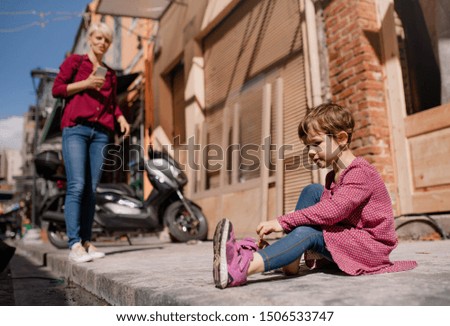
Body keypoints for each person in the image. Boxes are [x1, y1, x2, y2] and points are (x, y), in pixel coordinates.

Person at [213, 103, 417, 289]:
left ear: (342, 139)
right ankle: (289, 261)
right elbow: (326, 210)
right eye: (307, 146)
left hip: (369, 248)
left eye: (316, 143)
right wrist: (296, 220)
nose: (310, 152)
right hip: (352, 237)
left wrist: (284, 221)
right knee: (312, 191)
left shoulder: (360, 172)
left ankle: (240, 269)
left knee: (308, 233)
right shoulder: (334, 176)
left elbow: (333, 212)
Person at [52, 22, 130, 263]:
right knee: (77, 185)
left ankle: (87, 241)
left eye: (106, 40)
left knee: (91, 189)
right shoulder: (75, 63)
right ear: (90, 39)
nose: (102, 43)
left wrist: (120, 117)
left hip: (101, 133)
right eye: (98, 38)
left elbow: (111, 103)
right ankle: (74, 243)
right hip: (76, 129)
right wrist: (85, 84)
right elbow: (57, 89)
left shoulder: (110, 73)